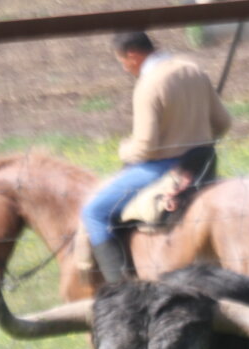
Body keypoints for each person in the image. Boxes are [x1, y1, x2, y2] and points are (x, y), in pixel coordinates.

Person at [80, 31, 232, 284]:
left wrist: (123, 149)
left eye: (123, 62)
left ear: (133, 55)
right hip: (203, 163)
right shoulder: (193, 69)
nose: (126, 69)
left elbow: (145, 148)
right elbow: (223, 122)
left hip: (164, 168)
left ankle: (121, 289)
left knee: (94, 212)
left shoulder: (149, 85)